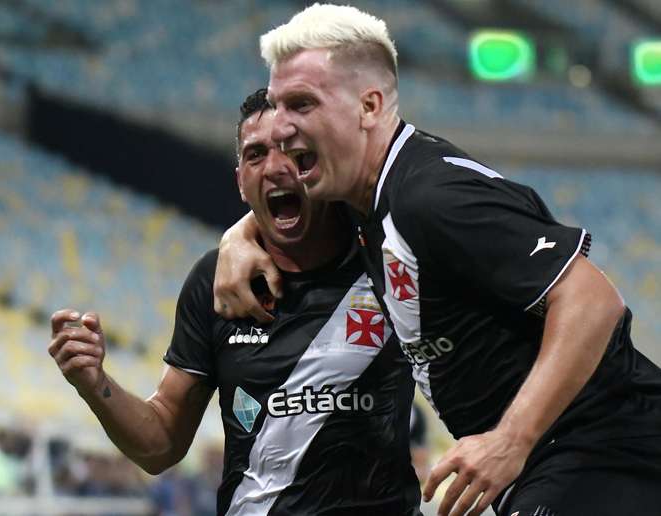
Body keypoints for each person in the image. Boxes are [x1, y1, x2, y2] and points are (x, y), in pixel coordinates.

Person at [212, 4, 661, 516]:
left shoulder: (428, 196)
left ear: (369, 106)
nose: (282, 126)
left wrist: (509, 441)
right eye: (275, 104)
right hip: (565, 457)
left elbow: (591, 300)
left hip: (603, 449)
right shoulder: (370, 196)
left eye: (301, 104)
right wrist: (239, 236)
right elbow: (286, 213)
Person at [49, 88, 422, 515]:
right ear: (241, 182)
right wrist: (94, 385)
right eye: (256, 154)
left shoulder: (387, 259)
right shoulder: (213, 283)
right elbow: (162, 444)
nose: (275, 167)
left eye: (291, 150)